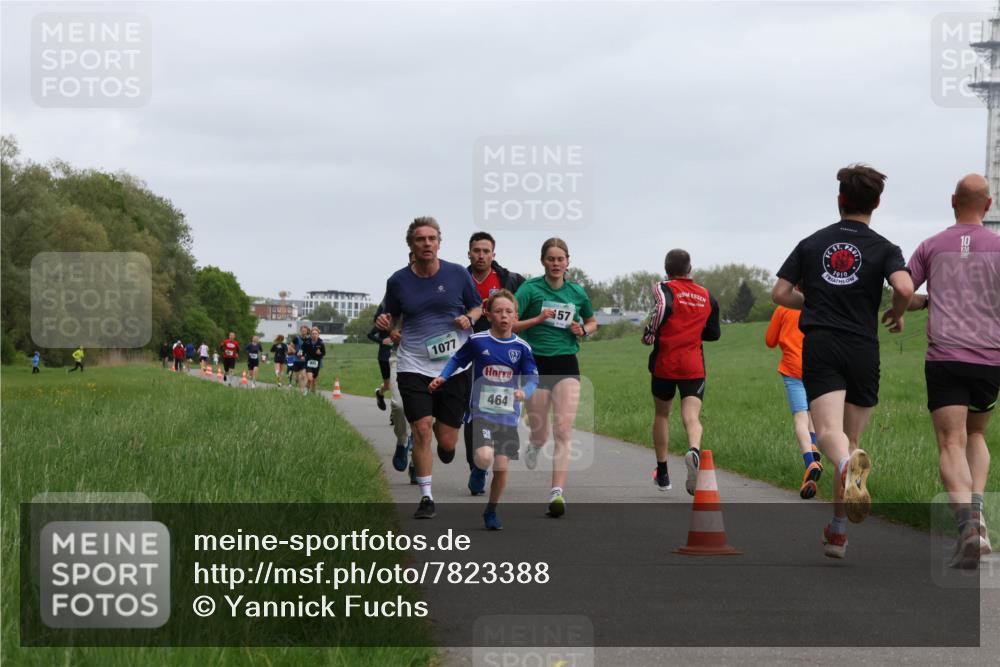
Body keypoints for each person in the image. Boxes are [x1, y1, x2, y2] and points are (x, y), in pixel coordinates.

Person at [772, 163, 913, 559]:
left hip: (823, 343)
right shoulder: (885, 248)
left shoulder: (812, 243)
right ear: (877, 203)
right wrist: (898, 311)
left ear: (840, 199)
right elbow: (903, 286)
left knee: (830, 435)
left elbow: (780, 293)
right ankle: (837, 531)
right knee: (850, 438)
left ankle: (849, 465)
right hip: (864, 347)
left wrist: (811, 300)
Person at [904, 173, 998, 569]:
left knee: (950, 443)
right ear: (988, 206)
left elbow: (905, 293)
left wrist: (922, 303)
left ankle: (966, 526)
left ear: (952, 201)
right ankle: (978, 521)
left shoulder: (931, 246)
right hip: (991, 358)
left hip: (945, 357)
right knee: (975, 434)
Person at [376, 217, 482, 519]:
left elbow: (477, 306)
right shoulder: (398, 281)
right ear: (411, 244)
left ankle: (445, 443)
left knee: (446, 441)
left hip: (455, 367)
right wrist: (385, 323)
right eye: (420, 239)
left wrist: (470, 319)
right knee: (421, 429)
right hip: (413, 364)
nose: (427, 244)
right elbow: (388, 317)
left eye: (432, 238)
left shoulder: (457, 274)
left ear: (439, 242)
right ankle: (426, 497)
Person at [430, 290, 539, 530]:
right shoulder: (478, 341)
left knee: (501, 467)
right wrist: (443, 377)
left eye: (508, 312)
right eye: (498, 311)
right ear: (488, 314)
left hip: (508, 416)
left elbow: (533, 378)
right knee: (484, 457)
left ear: (515, 315)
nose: (504, 316)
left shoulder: (521, 347)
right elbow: (457, 359)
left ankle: (491, 510)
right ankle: (479, 470)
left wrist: (525, 392)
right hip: (481, 413)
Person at [514, 238, 597, 518]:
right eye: (551, 259)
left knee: (563, 429)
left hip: (565, 363)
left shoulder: (576, 292)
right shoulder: (530, 289)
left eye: (561, 259)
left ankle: (556, 493)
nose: (556, 264)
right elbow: (509, 321)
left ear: (568, 262)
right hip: (534, 363)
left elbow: (592, 320)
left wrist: (583, 330)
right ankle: (536, 445)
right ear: (543, 261)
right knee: (541, 431)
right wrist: (537, 320)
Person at [642, 249, 720, 495]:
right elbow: (714, 333)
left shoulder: (664, 287)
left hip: (665, 363)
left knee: (662, 415)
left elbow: (662, 307)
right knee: (692, 417)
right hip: (693, 365)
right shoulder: (707, 296)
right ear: (690, 268)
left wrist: (650, 332)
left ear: (666, 270)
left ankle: (663, 474)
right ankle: (694, 450)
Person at [464, 231, 526, 496]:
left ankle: (494, 456)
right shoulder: (459, 278)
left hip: (501, 352)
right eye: (476, 250)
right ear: (469, 253)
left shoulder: (509, 280)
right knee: (472, 409)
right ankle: (477, 465)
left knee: (500, 406)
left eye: (486, 251)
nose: (481, 255)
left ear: (493, 254)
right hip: (469, 351)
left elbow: (526, 302)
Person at [765, 305, 822, 498]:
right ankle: (813, 446)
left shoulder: (784, 308)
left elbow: (770, 341)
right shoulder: (819, 303)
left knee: (800, 417)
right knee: (812, 412)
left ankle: (809, 462)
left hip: (793, 368)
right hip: (817, 366)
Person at [300, 326, 326, 395]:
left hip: (316, 363)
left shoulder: (321, 343)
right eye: (313, 333)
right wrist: (301, 355)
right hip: (308, 362)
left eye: (316, 333)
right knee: (310, 378)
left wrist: (320, 353)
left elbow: (324, 353)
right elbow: (302, 350)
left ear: (318, 334)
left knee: (313, 380)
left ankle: (312, 392)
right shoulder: (307, 342)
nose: (314, 335)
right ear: (311, 334)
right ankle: (306, 391)